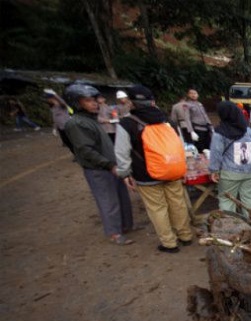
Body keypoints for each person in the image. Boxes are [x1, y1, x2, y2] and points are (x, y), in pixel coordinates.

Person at [114, 85, 193, 254]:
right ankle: (185, 235)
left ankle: (169, 243)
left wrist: (125, 173)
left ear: (130, 103)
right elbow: (179, 145)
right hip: (172, 170)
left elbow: (121, 152)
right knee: (178, 204)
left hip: (146, 175)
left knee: (157, 208)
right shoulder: (167, 121)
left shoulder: (127, 124)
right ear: (153, 102)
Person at [63, 84, 134, 245]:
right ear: (76, 102)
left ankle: (125, 226)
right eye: (88, 101)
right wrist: (109, 165)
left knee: (121, 197)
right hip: (99, 169)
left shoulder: (90, 120)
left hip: (110, 165)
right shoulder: (77, 123)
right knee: (108, 200)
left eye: (94, 100)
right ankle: (115, 233)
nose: (94, 103)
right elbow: (86, 151)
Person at [209, 101, 251, 215]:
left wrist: (214, 170)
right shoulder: (248, 131)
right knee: (249, 198)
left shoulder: (219, 133)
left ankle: (230, 230)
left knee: (227, 200)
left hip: (229, 173)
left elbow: (216, 154)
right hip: (250, 171)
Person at [43, 89, 74, 154]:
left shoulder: (61, 105)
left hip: (67, 125)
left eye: (48, 99)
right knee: (66, 142)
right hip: (60, 127)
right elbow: (55, 118)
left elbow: (64, 103)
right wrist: (54, 128)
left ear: (52, 98)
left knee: (72, 141)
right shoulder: (53, 107)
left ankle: (77, 154)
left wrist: (55, 94)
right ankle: (75, 153)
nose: (47, 100)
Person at [184, 88, 213, 153]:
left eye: (195, 93)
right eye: (191, 93)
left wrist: (211, 126)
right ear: (188, 95)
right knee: (200, 148)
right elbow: (187, 118)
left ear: (198, 95)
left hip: (206, 128)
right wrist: (191, 131)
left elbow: (205, 116)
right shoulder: (186, 105)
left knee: (208, 147)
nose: (193, 95)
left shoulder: (200, 104)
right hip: (197, 129)